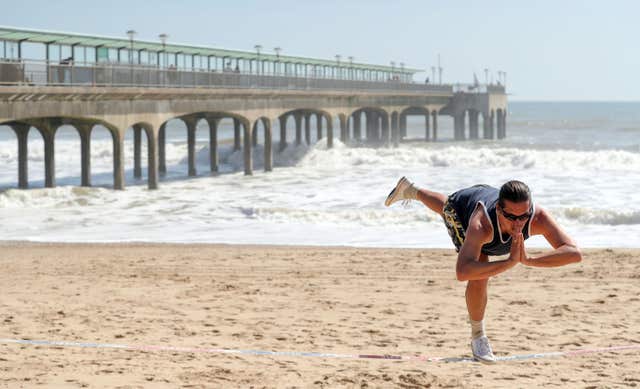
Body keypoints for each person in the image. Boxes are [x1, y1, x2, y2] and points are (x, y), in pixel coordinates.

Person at [384, 177, 582, 363]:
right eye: (511, 217)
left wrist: (529, 260)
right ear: (498, 209)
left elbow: (573, 253)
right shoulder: (481, 225)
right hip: (463, 208)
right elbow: (463, 272)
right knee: (477, 266)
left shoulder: (537, 217)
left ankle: (410, 189)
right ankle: (478, 337)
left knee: (443, 207)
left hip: (482, 194)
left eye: (524, 216)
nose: (518, 223)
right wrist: (508, 262)